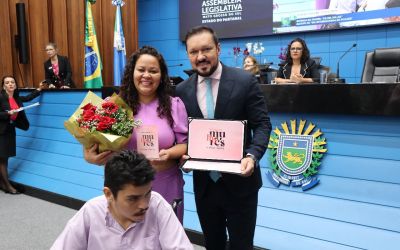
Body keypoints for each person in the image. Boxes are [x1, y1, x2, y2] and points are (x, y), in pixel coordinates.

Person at [175, 26, 272, 250]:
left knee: (242, 245)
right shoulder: (181, 90)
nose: (200, 57)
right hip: (205, 185)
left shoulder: (245, 81)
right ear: (188, 55)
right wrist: (183, 156)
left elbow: (262, 124)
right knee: (213, 244)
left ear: (218, 49)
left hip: (241, 182)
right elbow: (183, 133)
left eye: (206, 49)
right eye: (193, 52)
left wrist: (253, 155)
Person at [84, 46, 188, 222]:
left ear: (161, 76)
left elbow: (184, 144)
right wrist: (91, 156)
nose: (146, 75)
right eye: (141, 70)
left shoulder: (174, 105)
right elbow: (93, 145)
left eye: (153, 71)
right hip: (123, 187)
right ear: (132, 73)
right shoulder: (113, 106)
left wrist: (169, 153)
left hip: (165, 183)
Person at [51, 150, 193, 250]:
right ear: (108, 194)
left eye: (148, 193)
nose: (144, 205)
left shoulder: (158, 205)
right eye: (133, 198)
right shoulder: (91, 211)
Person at [0, 76, 44, 194]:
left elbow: (28, 98)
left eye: (12, 82)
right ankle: (8, 186)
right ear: (3, 85)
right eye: (7, 82)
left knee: (5, 158)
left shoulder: (16, 98)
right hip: (1, 131)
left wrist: (38, 90)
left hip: (9, 130)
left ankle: (3, 184)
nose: (10, 84)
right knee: (2, 159)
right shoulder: (1, 97)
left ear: (15, 85)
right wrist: (7, 113)